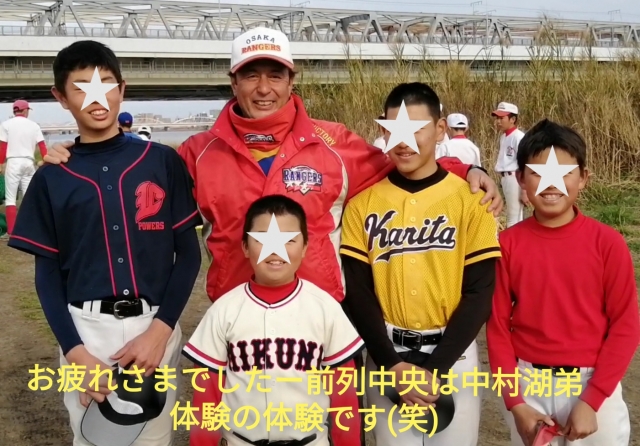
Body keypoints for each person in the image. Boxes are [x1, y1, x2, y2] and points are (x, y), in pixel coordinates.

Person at [42, 26, 503, 445]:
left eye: (275, 74)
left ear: (291, 79)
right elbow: (131, 180)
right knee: (243, 428)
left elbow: (406, 163)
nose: (263, 88)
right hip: (235, 326)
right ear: (233, 81)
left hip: (323, 328)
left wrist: (466, 169)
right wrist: (74, 155)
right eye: (251, 74)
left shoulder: (335, 143)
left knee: (332, 432)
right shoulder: (197, 153)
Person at [8, 40, 202, 446]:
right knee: (94, 438)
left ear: (122, 88)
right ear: (60, 97)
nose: (97, 97)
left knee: (154, 438)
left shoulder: (161, 161)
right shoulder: (51, 176)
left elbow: (188, 255)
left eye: (107, 83)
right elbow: (47, 277)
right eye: (81, 87)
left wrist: (160, 331)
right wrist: (75, 352)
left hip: (155, 323)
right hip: (87, 329)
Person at [340, 82, 501, 446]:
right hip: (387, 353)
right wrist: (391, 365)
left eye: (416, 128)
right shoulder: (362, 204)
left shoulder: (470, 199)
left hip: (454, 353)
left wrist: (436, 368)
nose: (404, 141)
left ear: (440, 129)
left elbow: (480, 291)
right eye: (394, 129)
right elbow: (357, 292)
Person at [486, 119, 640, 446]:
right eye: (537, 173)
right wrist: (515, 403)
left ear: (583, 178)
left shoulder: (608, 244)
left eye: (564, 172)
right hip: (529, 383)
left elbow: (626, 325)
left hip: (592, 383)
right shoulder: (507, 245)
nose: (550, 184)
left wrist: (592, 400)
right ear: (520, 179)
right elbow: (497, 328)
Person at [184, 194, 363, 446]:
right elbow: (206, 399)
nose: (276, 249)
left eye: (289, 240)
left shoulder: (326, 308)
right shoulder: (223, 310)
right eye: (262, 239)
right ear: (245, 247)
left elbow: (344, 399)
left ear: (305, 247)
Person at [0, 99, 48, 238]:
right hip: (29, 162)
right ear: (25, 110)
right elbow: (42, 146)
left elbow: (3, 147)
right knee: (29, 197)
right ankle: (29, 230)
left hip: (13, 162)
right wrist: (46, 161)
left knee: (10, 198)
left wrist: (0, 163)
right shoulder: (34, 125)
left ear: (15, 111)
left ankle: (11, 231)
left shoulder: (6, 125)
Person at [492, 101, 529, 227]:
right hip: (506, 177)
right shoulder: (504, 137)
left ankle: (513, 239)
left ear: (512, 119)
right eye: (497, 118)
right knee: (512, 215)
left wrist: (524, 189)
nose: (498, 121)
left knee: (514, 217)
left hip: (515, 177)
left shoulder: (518, 137)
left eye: (502, 118)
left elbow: (525, 162)